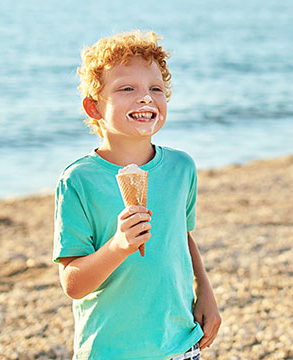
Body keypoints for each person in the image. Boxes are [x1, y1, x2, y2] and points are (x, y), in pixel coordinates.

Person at [53, 30, 221, 359]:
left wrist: (205, 292)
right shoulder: (78, 180)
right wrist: (118, 246)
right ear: (93, 107)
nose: (145, 98)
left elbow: (182, 237)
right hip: (110, 349)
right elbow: (73, 284)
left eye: (155, 89)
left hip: (179, 345)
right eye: (127, 88)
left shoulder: (181, 167)